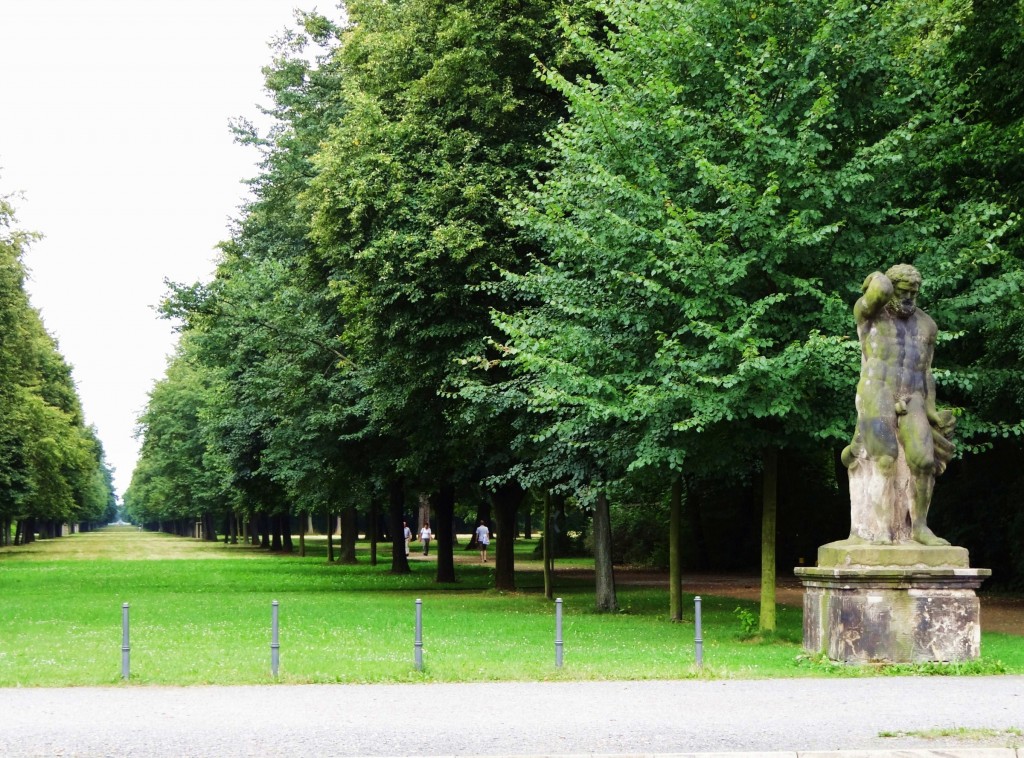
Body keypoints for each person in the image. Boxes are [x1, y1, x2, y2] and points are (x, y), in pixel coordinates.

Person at [841, 264, 955, 546]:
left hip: (913, 395)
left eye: (914, 293)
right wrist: (880, 282)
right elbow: (876, 291)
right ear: (891, 290)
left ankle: (919, 527)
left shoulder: (927, 325)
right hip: (876, 390)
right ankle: (882, 530)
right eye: (903, 292)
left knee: (924, 460)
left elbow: (926, 370)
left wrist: (931, 409)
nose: (909, 298)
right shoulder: (869, 314)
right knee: (885, 458)